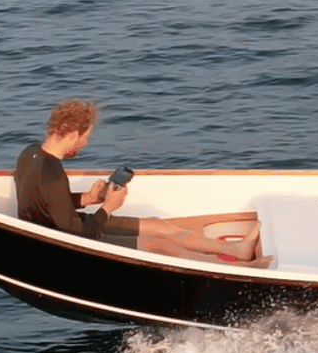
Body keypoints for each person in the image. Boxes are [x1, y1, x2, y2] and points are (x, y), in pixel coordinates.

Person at [14, 99, 265, 264]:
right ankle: (227, 271)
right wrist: (109, 206)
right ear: (71, 133)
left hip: (71, 226)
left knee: (158, 225)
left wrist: (87, 199)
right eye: (84, 137)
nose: (86, 143)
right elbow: (78, 233)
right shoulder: (52, 173)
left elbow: (48, 202)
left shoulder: (30, 153)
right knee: (160, 244)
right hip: (71, 248)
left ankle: (239, 251)